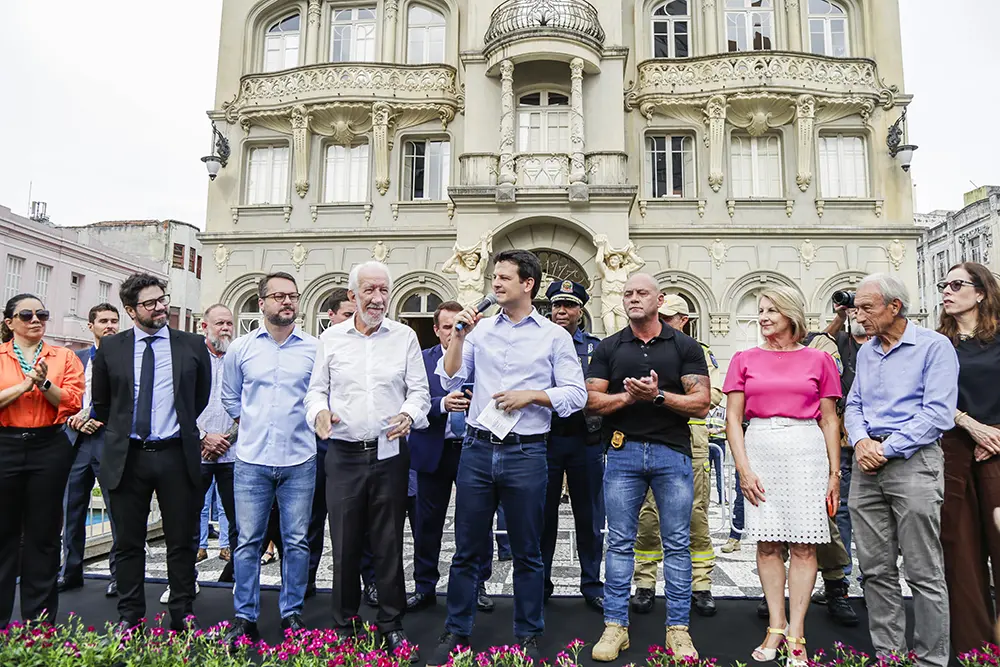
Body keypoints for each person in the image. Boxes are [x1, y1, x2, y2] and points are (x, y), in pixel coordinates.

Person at [426, 249, 587, 666]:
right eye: (494, 277)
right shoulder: (479, 331)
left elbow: (576, 395)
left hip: (526, 452)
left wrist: (532, 396)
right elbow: (451, 378)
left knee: (527, 551)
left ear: (527, 284)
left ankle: (528, 634)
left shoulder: (553, 336)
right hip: (477, 449)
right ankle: (456, 630)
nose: (495, 283)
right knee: (466, 548)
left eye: (504, 277)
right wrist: (459, 335)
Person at [305, 261, 430, 659]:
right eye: (369, 290)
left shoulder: (404, 337)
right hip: (343, 454)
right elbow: (315, 391)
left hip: (390, 453)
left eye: (383, 290)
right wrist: (319, 413)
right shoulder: (331, 339)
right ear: (352, 295)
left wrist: (409, 414)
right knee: (343, 543)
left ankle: (391, 625)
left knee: (388, 542)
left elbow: (420, 392)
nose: (377, 298)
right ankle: (344, 625)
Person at [586, 274, 710, 662]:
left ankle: (678, 630)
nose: (633, 298)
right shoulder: (609, 346)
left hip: (672, 453)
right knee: (620, 542)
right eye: (628, 294)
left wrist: (657, 396)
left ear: (659, 299)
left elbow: (701, 403)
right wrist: (627, 397)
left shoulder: (685, 346)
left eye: (642, 293)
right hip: (622, 453)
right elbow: (590, 401)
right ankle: (615, 626)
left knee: (677, 543)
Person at [722, 287, 843, 666]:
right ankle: (776, 626)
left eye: (772, 310)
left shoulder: (819, 359)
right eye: (761, 310)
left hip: (806, 451)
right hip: (760, 447)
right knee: (767, 545)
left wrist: (834, 474)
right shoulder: (743, 359)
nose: (763, 317)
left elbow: (829, 419)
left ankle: (797, 633)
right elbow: (732, 419)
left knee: (805, 546)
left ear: (792, 314)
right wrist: (743, 468)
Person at [844, 273, 958, 667]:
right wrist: (862, 441)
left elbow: (938, 413)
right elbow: (854, 404)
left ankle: (930, 660)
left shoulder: (934, 346)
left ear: (895, 306)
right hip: (867, 464)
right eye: (856, 308)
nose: (858, 316)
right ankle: (888, 657)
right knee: (874, 570)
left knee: (924, 570)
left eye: (866, 307)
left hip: (914, 462)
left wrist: (886, 448)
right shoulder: (867, 352)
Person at [92, 274, 212, 632]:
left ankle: (182, 615)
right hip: (128, 457)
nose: (161, 307)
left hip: (176, 454)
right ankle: (129, 618)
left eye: (162, 299)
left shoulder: (192, 344)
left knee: (181, 541)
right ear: (131, 310)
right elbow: (103, 403)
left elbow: (199, 396)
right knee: (128, 543)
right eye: (150, 303)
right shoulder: (111, 348)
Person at [220, 273, 318, 644]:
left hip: (299, 458)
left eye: (292, 295)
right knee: (248, 542)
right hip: (251, 459)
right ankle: (245, 616)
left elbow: (321, 395)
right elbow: (230, 396)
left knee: (297, 542)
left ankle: (292, 613)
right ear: (261, 303)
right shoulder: (241, 349)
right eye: (278, 296)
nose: (287, 301)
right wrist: (250, 423)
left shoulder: (314, 349)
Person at [631, 294, 722, 618]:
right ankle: (645, 582)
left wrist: (666, 395)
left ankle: (701, 584)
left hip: (691, 440)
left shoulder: (698, 352)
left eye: (669, 318)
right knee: (648, 514)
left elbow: (713, 395)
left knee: (695, 513)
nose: (663, 323)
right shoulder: (643, 350)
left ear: (684, 320)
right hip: (651, 435)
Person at [0, 294, 84, 629]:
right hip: (4, 444)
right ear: (10, 322)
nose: (36, 319)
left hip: (49, 445)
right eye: (27, 315)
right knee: (3, 535)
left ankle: (39, 626)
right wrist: (25, 385)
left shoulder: (64, 356)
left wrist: (44, 383)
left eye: (42, 314)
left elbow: (73, 402)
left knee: (44, 535)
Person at [408, 300, 496, 614]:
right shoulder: (420, 361)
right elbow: (411, 401)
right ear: (436, 329)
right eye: (447, 327)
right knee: (426, 524)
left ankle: (478, 585)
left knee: (476, 521)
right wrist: (441, 404)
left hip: (474, 448)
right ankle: (424, 586)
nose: (454, 332)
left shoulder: (481, 358)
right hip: (434, 449)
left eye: (460, 326)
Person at [937, 262, 1000, 653]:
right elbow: (926, 397)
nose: (947, 290)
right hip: (953, 450)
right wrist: (970, 425)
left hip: (997, 449)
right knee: (960, 555)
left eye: (957, 284)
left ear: (980, 292)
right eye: (944, 284)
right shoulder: (936, 344)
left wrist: (992, 435)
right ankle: (976, 653)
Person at [307, 288, 379, 604]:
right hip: (318, 446)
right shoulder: (318, 347)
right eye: (348, 314)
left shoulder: (370, 350)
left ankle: (370, 582)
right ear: (331, 316)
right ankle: (306, 581)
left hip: (357, 447)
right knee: (312, 519)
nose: (355, 319)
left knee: (362, 521)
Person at [541, 280, 605, 611]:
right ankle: (541, 583)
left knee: (589, 516)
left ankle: (592, 584)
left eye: (568, 306)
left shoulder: (596, 349)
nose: (561, 311)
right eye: (556, 305)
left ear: (580, 311)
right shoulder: (538, 343)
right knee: (542, 516)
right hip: (546, 439)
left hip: (586, 439)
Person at [60, 303, 120, 598]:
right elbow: (65, 397)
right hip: (77, 442)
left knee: (117, 510)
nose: (110, 326)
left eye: (114, 321)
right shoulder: (76, 359)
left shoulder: (125, 360)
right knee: (72, 509)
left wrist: (99, 416)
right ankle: (70, 572)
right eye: (103, 321)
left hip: (108, 440)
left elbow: (129, 401)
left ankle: (119, 576)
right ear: (90, 325)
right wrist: (74, 419)